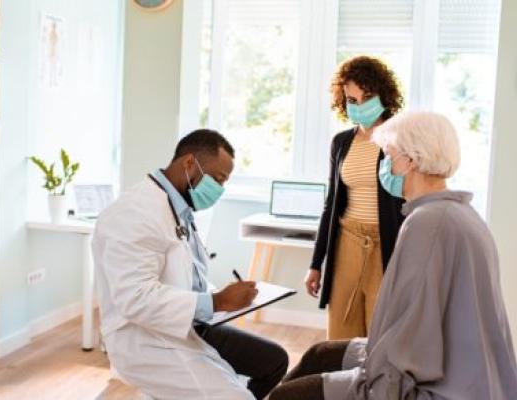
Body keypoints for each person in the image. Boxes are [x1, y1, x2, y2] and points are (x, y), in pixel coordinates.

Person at [269, 111, 517, 399]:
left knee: (286, 396)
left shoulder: (427, 223)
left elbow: (409, 338)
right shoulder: (462, 213)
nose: (384, 166)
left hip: (437, 382)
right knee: (318, 354)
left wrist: (372, 384)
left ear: (410, 160)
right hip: (459, 367)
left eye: (388, 156)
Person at [93, 129, 288, 400]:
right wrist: (217, 301)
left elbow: (185, 273)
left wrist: (221, 299)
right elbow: (135, 299)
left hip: (189, 324)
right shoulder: (134, 213)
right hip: (145, 339)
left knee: (274, 361)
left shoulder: (179, 208)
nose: (220, 190)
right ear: (188, 164)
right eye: (218, 179)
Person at [305, 56, 405, 339]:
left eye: (367, 97)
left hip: (386, 245)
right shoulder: (341, 142)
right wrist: (315, 264)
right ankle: (341, 384)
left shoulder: (400, 139)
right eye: (352, 99)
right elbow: (331, 205)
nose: (359, 106)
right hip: (346, 241)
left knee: (381, 331)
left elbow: (410, 202)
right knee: (341, 330)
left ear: (384, 95)